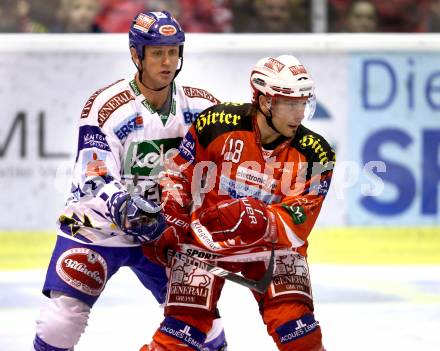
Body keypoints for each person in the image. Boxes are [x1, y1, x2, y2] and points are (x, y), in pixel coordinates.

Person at [32, 10, 227, 351]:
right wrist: (123, 205)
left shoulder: (203, 106)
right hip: (98, 229)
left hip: (162, 232)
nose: (167, 61)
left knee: (204, 327)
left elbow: (225, 163)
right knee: (60, 323)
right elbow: (93, 174)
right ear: (136, 54)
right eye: (157, 53)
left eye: (173, 51)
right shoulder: (106, 107)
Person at [142, 55, 335, 350]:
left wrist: (259, 219)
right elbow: (177, 175)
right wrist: (170, 220)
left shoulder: (316, 153)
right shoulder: (215, 123)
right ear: (265, 101)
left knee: (302, 337)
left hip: (273, 249)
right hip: (205, 240)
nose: (299, 114)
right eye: (291, 104)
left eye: (303, 103)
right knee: (179, 334)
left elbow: (299, 223)